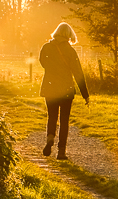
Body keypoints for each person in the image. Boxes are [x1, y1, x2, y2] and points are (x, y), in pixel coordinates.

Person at [38, 22, 89, 160]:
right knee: (64, 120)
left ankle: (50, 138)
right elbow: (78, 73)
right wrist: (85, 94)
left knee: (52, 116)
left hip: (50, 87)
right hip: (66, 89)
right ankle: (61, 152)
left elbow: (43, 63)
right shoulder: (70, 51)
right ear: (69, 35)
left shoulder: (46, 47)